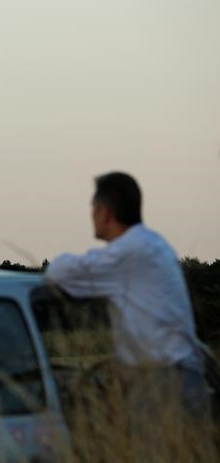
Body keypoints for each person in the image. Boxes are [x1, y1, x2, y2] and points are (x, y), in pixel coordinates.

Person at [45, 171, 208, 417]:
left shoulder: (128, 252)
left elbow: (58, 273)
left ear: (105, 212)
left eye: (93, 208)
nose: (92, 215)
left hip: (162, 382)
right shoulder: (154, 244)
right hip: (183, 373)